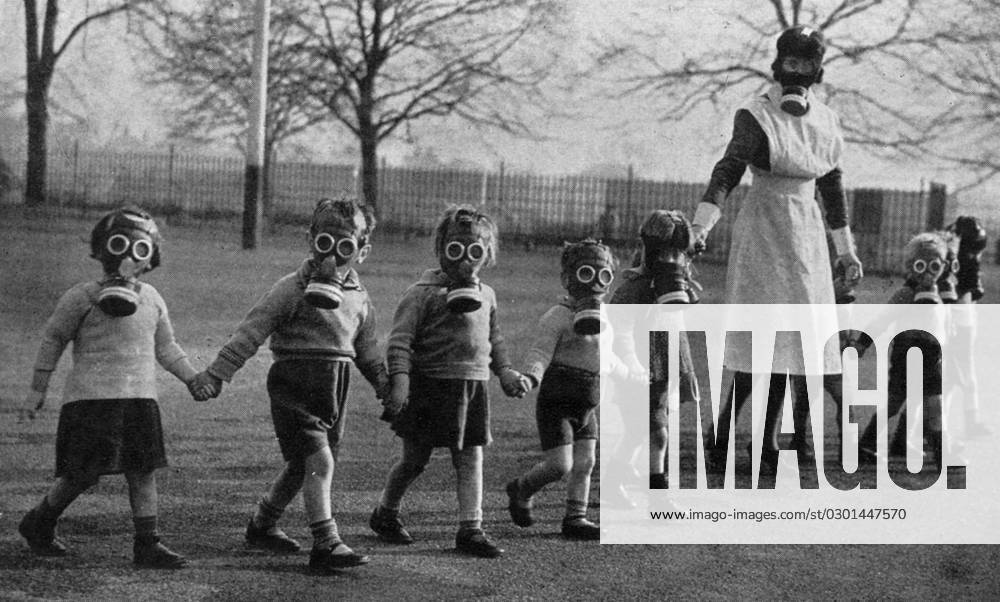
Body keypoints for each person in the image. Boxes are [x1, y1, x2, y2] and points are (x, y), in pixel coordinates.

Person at [690, 26, 863, 473]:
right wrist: (702, 224)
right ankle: (725, 435)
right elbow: (728, 170)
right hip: (764, 228)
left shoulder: (826, 121)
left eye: (806, 65)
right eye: (791, 62)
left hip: (806, 236)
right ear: (778, 64)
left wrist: (845, 250)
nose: (797, 72)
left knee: (794, 341)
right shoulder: (756, 114)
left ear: (817, 70)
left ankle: (764, 442)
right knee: (760, 339)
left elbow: (832, 185)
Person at [193, 197, 389, 574]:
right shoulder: (291, 288)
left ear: (362, 252)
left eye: (345, 246)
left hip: (334, 387)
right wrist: (218, 373)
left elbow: (367, 351)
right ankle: (326, 542)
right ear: (310, 240)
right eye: (324, 243)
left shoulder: (360, 299)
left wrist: (385, 387)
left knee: (302, 465)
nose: (332, 256)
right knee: (319, 460)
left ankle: (262, 523)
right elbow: (251, 331)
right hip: (294, 385)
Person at [18, 206, 200, 569]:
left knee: (142, 470)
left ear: (151, 257)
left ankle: (147, 543)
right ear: (102, 250)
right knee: (81, 474)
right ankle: (40, 520)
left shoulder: (151, 298)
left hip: (139, 400)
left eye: (140, 249)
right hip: (90, 400)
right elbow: (53, 338)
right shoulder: (81, 297)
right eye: (119, 245)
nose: (129, 257)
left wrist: (193, 378)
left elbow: (166, 347)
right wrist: (37, 390)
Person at [369, 205, 530, 558]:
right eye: (456, 249)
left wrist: (504, 371)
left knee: (470, 458)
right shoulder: (422, 293)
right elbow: (399, 341)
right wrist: (400, 382)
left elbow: (494, 339)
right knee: (414, 460)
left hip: (471, 388)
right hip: (429, 387)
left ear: (487, 255)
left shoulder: (487, 295)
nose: (465, 261)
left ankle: (471, 529)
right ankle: (385, 512)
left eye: (476, 251)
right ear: (441, 249)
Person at [505, 239, 624, 540]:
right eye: (586, 274)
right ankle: (522, 488)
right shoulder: (558, 316)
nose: (595, 284)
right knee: (560, 465)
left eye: (604, 275)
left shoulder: (606, 318)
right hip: (556, 404)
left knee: (586, 462)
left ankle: (575, 518)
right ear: (567, 279)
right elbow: (540, 353)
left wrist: (631, 373)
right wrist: (530, 377)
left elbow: (609, 357)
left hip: (587, 406)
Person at [605, 210, 699, 500]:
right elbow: (620, 331)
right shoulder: (634, 290)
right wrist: (632, 364)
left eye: (677, 255)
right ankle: (658, 499)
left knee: (639, 432)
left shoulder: (674, 287)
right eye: (664, 254)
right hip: (643, 373)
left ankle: (613, 482)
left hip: (664, 370)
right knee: (658, 434)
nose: (671, 261)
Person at [857, 232, 949, 465]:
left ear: (943, 266)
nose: (928, 272)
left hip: (932, 359)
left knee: (935, 406)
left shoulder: (941, 294)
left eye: (935, 265)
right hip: (906, 356)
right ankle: (866, 444)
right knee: (894, 403)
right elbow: (882, 319)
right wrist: (862, 343)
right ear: (910, 267)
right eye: (921, 265)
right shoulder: (906, 294)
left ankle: (942, 456)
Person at [946, 216, 989, 436]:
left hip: (959, 316)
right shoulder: (966, 261)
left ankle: (965, 421)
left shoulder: (954, 257)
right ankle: (965, 422)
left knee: (955, 373)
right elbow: (974, 291)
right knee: (959, 373)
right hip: (961, 318)